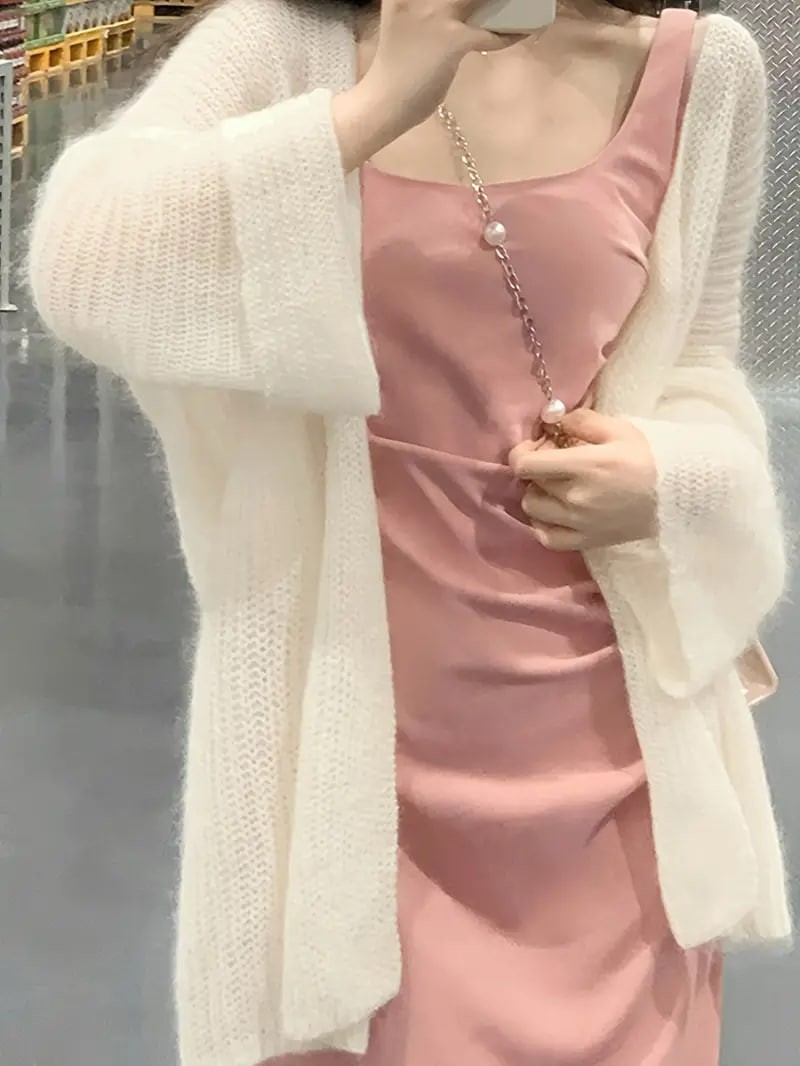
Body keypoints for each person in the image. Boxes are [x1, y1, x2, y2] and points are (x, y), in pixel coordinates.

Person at [27, 0, 790, 1063]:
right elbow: (79, 262)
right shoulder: (289, 44)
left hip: (615, 774)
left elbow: (698, 361)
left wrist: (670, 477)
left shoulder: (703, 73)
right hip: (353, 768)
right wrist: (372, 106)